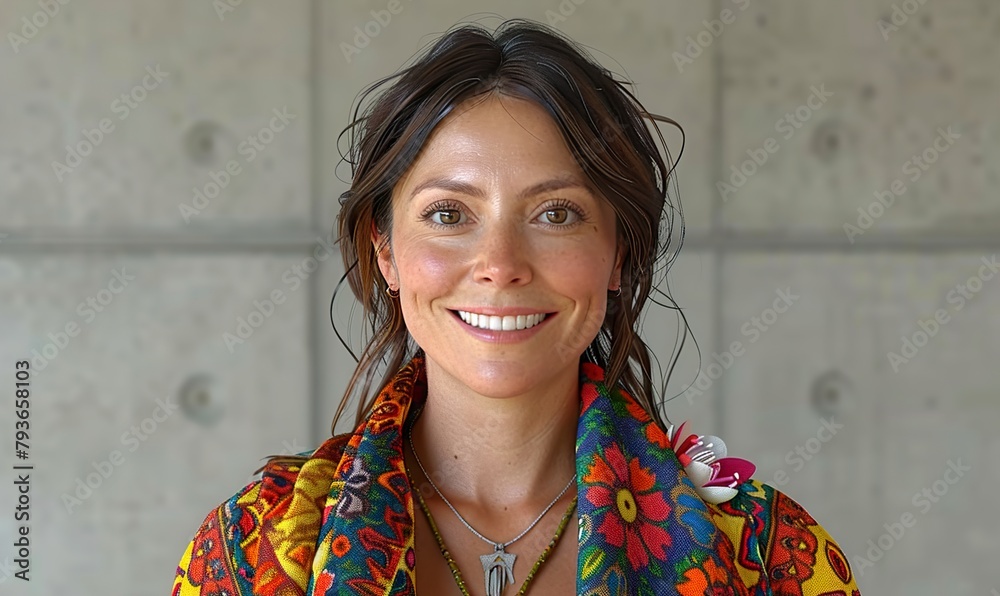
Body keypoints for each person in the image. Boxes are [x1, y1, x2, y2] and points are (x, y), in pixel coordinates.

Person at [172, 19, 861, 596]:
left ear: (619, 253)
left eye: (556, 213)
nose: (500, 264)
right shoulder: (253, 549)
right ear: (384, 250)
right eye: (448, 214)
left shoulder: (768, 558)